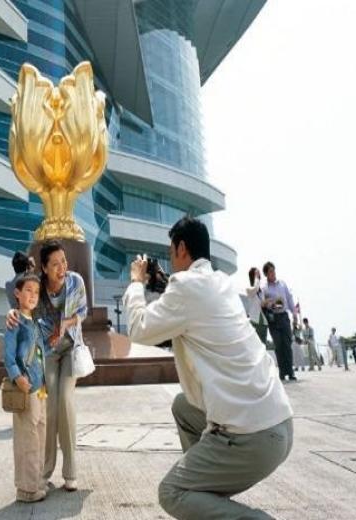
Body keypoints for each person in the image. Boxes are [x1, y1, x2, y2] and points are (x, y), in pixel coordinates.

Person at [123, 217, 293, 520]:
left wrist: (137, 282)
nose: (171, 260)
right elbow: (192, 313)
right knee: (183, 406)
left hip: (254, 439)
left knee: (172, 493)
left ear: (182, 249)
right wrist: (166, 289)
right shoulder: (219, 283)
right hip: (279, 423)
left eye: (171, 252)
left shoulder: (186, 286)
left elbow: (138, 328)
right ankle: (205, 496)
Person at [7, 240, 87, 492]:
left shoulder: (76, 282)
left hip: (70, 349)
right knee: (49, 407)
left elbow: (83, 311)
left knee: (64, 400)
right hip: (48, 354)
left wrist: (68, 323)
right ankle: (45, 469)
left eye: (63, 261)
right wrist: (12, 315)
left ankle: (71, 472)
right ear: (44, 267)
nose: (62, 267)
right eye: (55, 264)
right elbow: (24, 307)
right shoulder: (38, 289)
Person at [4, 273, 48, 503]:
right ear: (17, 293)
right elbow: (8, 356)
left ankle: (38, 481)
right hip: (26, 388)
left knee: (40, 436)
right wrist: (17, 377)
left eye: (36, 292)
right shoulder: (15, 321)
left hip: (41, 389)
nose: (32, 295)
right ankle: (27, 489)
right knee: (27, 439)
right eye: (28, 290)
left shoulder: (36, 324)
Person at [261, 262, 299, 381]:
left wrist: (294, 313)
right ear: (266, 274)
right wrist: (270, 304)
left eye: (274, 271)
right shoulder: (264, 288)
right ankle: (282, 372)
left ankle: (290, 371)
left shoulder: (282, 284)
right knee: (278, 345)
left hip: (284, 317)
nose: (273, 273)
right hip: (273, 319)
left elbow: (289, 298)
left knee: (287, 344)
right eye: (270, 272)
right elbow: (263, 303)